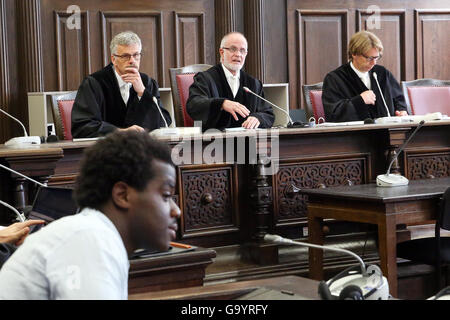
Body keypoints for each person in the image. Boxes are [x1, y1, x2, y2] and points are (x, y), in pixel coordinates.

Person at [0, 131, 181, 299]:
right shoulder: (89, 239)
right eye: (165, 196)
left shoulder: (95, 235)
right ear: (122, 195)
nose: (177, 211)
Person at [71, 31, 172, 138]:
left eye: (136, 55)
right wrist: (119, 131)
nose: (132, 61)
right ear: (114, 59)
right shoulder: (94, 83)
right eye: (125, 56)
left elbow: (164, 123)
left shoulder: (147, 82)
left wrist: (143, 93)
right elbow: (82, 127)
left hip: (142, 149)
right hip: (106, 150)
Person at [186, 32, 274, 131]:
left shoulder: (253, 84)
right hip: (213, 142)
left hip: (247, 143)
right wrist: (221, 104)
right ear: (221, 52)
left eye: (242, 50)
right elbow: (194, 105)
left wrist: (258, 118)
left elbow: (267, 113)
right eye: (233, 49)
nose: (238, 54)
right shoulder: (205, 79)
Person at [322, 31, 408, 122]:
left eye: (376, 58)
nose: (374, 63)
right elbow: (333, 114)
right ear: (354, 54)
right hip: (354, 134)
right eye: (369, 58)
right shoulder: (335, 78)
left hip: (387, 133)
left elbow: (399, 99)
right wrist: (360, 100)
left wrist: (401, 111)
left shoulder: (382, 73)